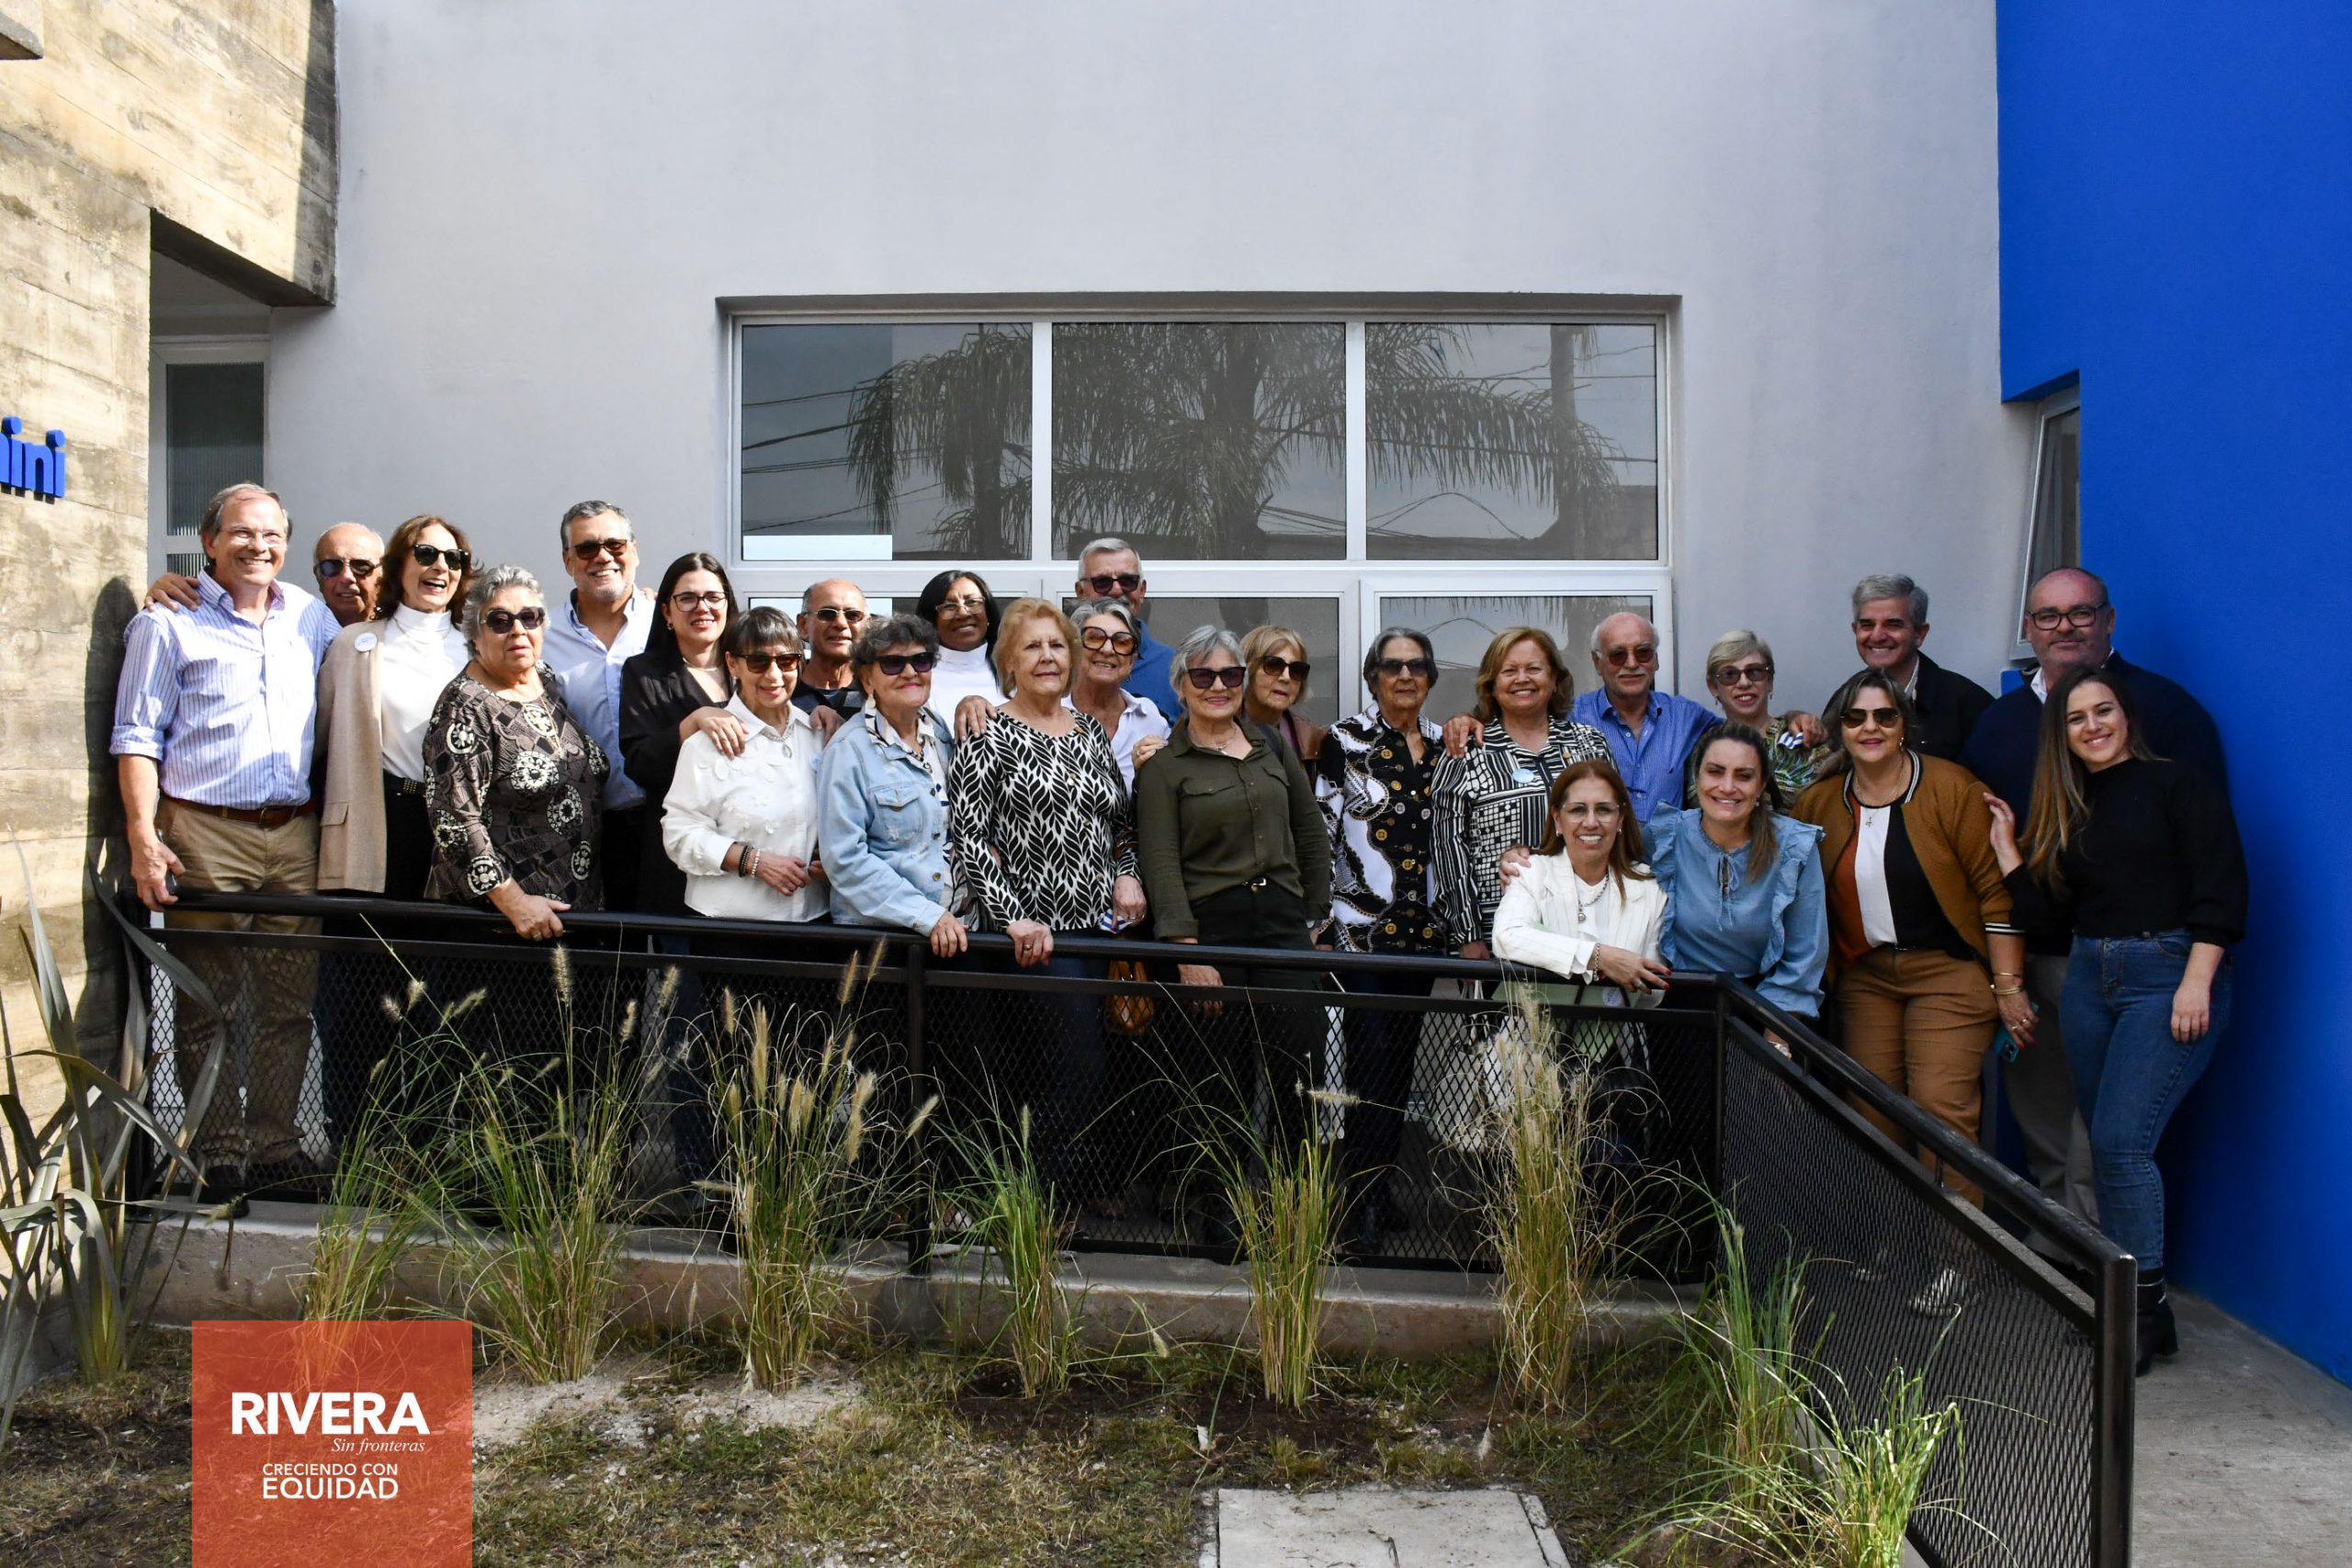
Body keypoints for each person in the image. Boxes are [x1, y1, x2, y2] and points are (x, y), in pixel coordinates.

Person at [1987, 665, 2245, 1374]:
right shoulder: (2071, 806)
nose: (2092, 726)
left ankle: (2138, 1314)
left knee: (2123, 1144)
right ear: (2061, 734)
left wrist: (2196, 983)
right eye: (2076, 718)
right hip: (2089, 980)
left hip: (2168, 976)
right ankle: (2139, 1310)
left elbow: (2222, 890)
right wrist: (2009, 852)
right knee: (2104, 1148)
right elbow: (2048, 917)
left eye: (2103, 710)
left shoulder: (2178, 785)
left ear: (2126, 714)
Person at [1960, 566, 2227, 1222]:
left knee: (2108, 1133)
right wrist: (2005, 970)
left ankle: (2099, 1262)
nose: (2065, 627)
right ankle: (2061, 1246)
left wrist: (2196, 973)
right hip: (2037, 950)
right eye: (2048, 616)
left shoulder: (2167, 710)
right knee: (2044, 1114)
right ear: (2028, 629)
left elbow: (2213, 862)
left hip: (2142, 963)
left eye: (2081, 612)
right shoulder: (1999, 723)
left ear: (2108, 619)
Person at [111, 482, 340, 1198]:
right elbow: (136, 735)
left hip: (293, 832)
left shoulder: (308, 615)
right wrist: (142, 834)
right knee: (209, 1002)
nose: (258, 546)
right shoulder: (167, 621)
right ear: (209, 541)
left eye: (272, 534)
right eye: (241, 532)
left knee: (287, 1002)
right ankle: (217, 1152)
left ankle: (273, 1148)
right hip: (205, 830)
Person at [1792, 671, 2028, 1216]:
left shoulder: (1952, 788)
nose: (1870, 727)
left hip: (1949, 973)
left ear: (1904, 725)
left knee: (1940, 1111)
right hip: (1866, 977)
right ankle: (1893, 1245)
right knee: (1872, 1114)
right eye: (1855, 718)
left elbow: (1995, 894)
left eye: (1885, 715)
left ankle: (1956, 1253)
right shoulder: (1819, 803)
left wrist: (2009, 985)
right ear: (1839, 729)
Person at [1134, 626, 1332, 1241]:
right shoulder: (1164, 767)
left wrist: (1314, 917)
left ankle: (1293, 1211)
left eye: (1230, 675)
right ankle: (1221, 1216)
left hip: (1282, 926)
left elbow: (1309, 830)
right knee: (1216, 1083)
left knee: (1298, 1074)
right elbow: (1160, 861)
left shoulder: (1270, 745)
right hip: (1210, 930)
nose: (1218, 686)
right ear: (1181, 687)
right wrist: (1185, 951)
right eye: (1203, 675)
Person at [947, 599, 1145, 1199]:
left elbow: (1121, 825)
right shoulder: (987, 734)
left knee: (1097, 1068)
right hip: (1035, 938)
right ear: (1008, 661)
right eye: (1031, 646)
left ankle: (1055, 1194)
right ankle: (1034, 1198)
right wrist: (1014, 918)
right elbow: (969, 838)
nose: (1047, 657)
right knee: (1073, 1066)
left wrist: (1128, 876)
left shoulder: (1088, 732)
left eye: (1057, 645)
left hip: (1100, 931)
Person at [311, 514, 474, 1153]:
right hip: (376, 824)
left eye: (454, 558)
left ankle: (429, 1148)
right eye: (426, 554)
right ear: (399, 565)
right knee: (359, 998)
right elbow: (322, 742)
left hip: (454, 832)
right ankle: (355, 1147)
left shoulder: (478, 646)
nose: (440, 568)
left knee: (442, 996)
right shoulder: (356, 644)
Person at [659, 605, 830, 1187]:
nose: (774, 674)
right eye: (758, 662)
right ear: (732, 664)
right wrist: (750, 860)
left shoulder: (819, 733)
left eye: (787, 660)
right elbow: (678, 834)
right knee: (723, 1075)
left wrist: (830, 859)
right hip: (728, 935)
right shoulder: (708, 743)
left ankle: (787, 1194)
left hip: (809, 931)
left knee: (797, 1073)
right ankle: (720, 1196)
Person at [1317, 628, 1451, 1249]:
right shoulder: (1345, 740)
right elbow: (1321, 831)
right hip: (1361, 931)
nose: (1404, 676)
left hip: (1425, 934)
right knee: (1368, 1061)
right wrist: (1319, 923)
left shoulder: (1450, 744)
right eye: (1392, 666)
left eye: (1416, 666)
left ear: (1430, 677)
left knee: (1400, 1063)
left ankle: (1381, 1184)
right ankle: (1361, 1199)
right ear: (1373, 676)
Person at [424, 565, 608, 935]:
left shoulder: (546, 681)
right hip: (504, 925)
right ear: (474, 635)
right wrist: (514, 901)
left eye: (529, 617)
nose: (518, 630)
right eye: (499, 621)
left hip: (575, 911)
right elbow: (454, 821)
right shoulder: (465, 706)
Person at [1431, 626, 1611, 958]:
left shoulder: (1589, 744)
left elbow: (1616, 828)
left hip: (1587, 928)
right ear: (1491, 684)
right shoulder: (1466, 752)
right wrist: (1468, 935)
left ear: (1554, 679)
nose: (1522, 679)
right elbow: (1448, 850)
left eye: (1534, 668)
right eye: (1509, 671)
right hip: (1498, 936)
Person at [1647, 724, 1828, 1022]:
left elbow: (1804, 954)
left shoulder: (1794, 846)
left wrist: (1776, 1037)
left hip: (1766, 1005)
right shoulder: (1665, 835)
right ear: (1696, 776)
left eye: (1744, 776)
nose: (1727, 787)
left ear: (1761, 785)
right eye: (1715, 772)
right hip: (1680, 1002)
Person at [815, 613, 967, 954]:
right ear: (867, 679)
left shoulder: (941, 733)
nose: (910, 672)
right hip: (887, 941)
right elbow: (845, 860)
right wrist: (926, 915)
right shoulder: (848, 750)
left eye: (921, 660)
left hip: (957, 928)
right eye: (893, 663)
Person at [538, 501, 655, 910]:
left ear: (634, 551)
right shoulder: (540, 636)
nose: (603, 557)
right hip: (580, 828)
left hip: (664, 819)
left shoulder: (667, 623)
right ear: (568, 560)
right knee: (600, 944)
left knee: (671, 939)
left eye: (615, 545)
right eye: (587, 548)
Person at [619, 553, 742, 917]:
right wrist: (692, 724)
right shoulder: (643, 673)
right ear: (667, 613)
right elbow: (639, 764)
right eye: (687, 598)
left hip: (755, 854)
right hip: (679, 861)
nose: (702, 607)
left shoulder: (753, 665)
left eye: (713, 597)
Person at [1489, 761, 1670, 998]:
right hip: (1538, 1023)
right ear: (1557, 818)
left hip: (1622, 1022)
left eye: (1604, 810)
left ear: (1621, 818)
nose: (1591, 823)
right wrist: (1597, 957)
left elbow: (1652, 990)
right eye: (1577, 810)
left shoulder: (1651, 887)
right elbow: (1506, 938)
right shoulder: (1530, 872)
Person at [1567, 612, 1719, 823]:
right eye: (1618, 655)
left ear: (1655, 660)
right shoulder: (1571, 718)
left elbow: (1742, 731)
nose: (1631, 664)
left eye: (1643, 652)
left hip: (1669, 846)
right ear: (1597, 663)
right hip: (1597, 844)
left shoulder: (1685, 715)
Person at [1847, 574, 1992, 763]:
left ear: (1920, 634)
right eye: (1867, 625)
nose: (1877, 636)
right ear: (1855, 630)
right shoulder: (1845, 699)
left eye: (1893, 624)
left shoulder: (1969, 704)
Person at [1688, 629, 1826, 805]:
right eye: (1729, 674)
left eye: (1754, 672)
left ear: (1770, 680)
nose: (1744, 683)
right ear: (1713, 686)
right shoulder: (1702, 747)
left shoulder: (1805, 738)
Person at [1069, 598, 1170, 789]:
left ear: (1131, 662)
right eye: (1094, 638)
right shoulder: (1048, 713)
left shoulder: (1148, 717)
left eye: (1122, 642)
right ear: (1074, 650)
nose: (1108, 649)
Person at [1075, 536, 1175, 704]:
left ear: (1142, 590)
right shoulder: (1056, 664)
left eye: (1127, 581)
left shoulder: (1173, 667)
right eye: (1102, 582)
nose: (1116, 590)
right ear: (1081, 592)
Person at [916, 569, 1005, 737]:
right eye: (949, 606)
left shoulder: (1014, 671)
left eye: (972, 602)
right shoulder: (918, 675)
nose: (963, 613)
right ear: (931, 620)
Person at [1239, 624, 1328, 765]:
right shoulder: (1214, 730)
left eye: (1296, 669)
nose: (1286, 678)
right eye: (1273, 665)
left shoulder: (1314, 740)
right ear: (1249, 670)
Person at [793, 577, 869, 717]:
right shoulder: (779, 689)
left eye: (853, 615)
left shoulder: (878, 691)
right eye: (827, 614)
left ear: (867, 626)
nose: (841, 623)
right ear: (803, 625)